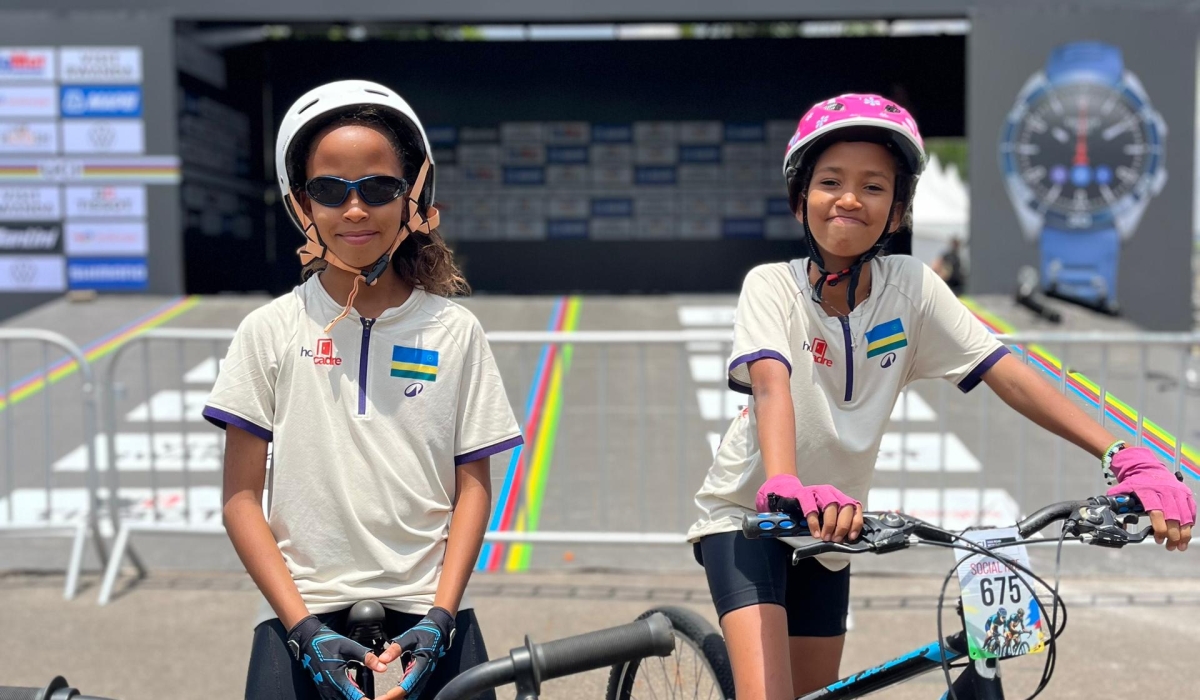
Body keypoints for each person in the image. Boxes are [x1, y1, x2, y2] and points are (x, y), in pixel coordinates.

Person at [686, 93, 1195, 700]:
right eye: (831, 182)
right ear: (800, 198)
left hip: (833, 531)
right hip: (750, 517)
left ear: (898, 212)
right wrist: (785, 482)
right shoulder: (770, 286)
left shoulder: (912, 288)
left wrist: (1122, 452)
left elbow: (1007, 371)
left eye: (874, 187)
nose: (850, 198)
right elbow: (773, 386)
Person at [204, 80, 523, 700]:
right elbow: (240, 500)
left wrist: (441, 617)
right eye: (331, 190)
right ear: (302, 204)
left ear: (413, 198)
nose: (355, 209)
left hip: (430, 610)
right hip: (304, 610)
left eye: (378, 188)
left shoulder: (455, 330)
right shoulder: (269, 329)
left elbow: (473, 489)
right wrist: (302, 629)